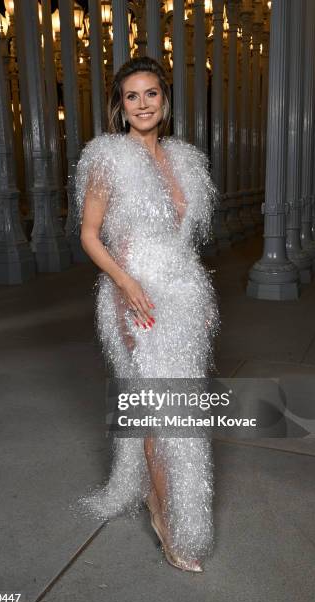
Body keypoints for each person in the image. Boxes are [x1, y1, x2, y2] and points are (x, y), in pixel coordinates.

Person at [75, 56, 220, 572]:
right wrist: (125, 282)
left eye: (151, 94)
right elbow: (91, 234)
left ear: (165, 100)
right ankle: (167, 518)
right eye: (131, 96)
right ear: (120, 104)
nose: (142, 104)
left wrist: (197, 299)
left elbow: (186, 246)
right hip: (132, 296)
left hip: (182, 296)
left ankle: (163, 498)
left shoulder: (183, 158)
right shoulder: (107, 157)